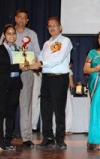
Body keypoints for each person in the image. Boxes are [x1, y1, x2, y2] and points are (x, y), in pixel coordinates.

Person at [0, 9, 41, 147]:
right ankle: (5, 136)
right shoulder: (8, 32)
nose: (22, 20)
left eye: (25, 18)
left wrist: (32, 61)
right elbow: (0, 51)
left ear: (27, 20)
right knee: (6, 106)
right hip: (9, 75)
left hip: (26, 73)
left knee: (25, 105)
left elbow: (38, 53)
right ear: (15, 18)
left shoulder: (32, 34)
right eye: (19, 17)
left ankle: (26, 137)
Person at [30, 17, 73, 149]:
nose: (52, 28)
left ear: (60, 27)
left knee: (59, 109)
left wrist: (41, 63)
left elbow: (58, 58)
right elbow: (41, 58)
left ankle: (60, 139)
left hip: (59, 78)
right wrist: (33, 63)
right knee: (45, 109)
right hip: (46, 78)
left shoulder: (66, 41)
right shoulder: (46, 43)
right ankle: (47, 138)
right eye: (49, 26)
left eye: (54, 25)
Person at [0, 24, 27, 150]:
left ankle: (8, 141)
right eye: (9, 33)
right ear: (4, 35)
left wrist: (25, 65)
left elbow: (20, 67)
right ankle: (0, 141)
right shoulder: (0, 49)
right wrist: (18, 67)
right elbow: (3, 67)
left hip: (14, 84)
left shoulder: (18, 50)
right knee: (1, 112)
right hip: (2, 85)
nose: (12, 36)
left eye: (14, 33)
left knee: (11, 113)